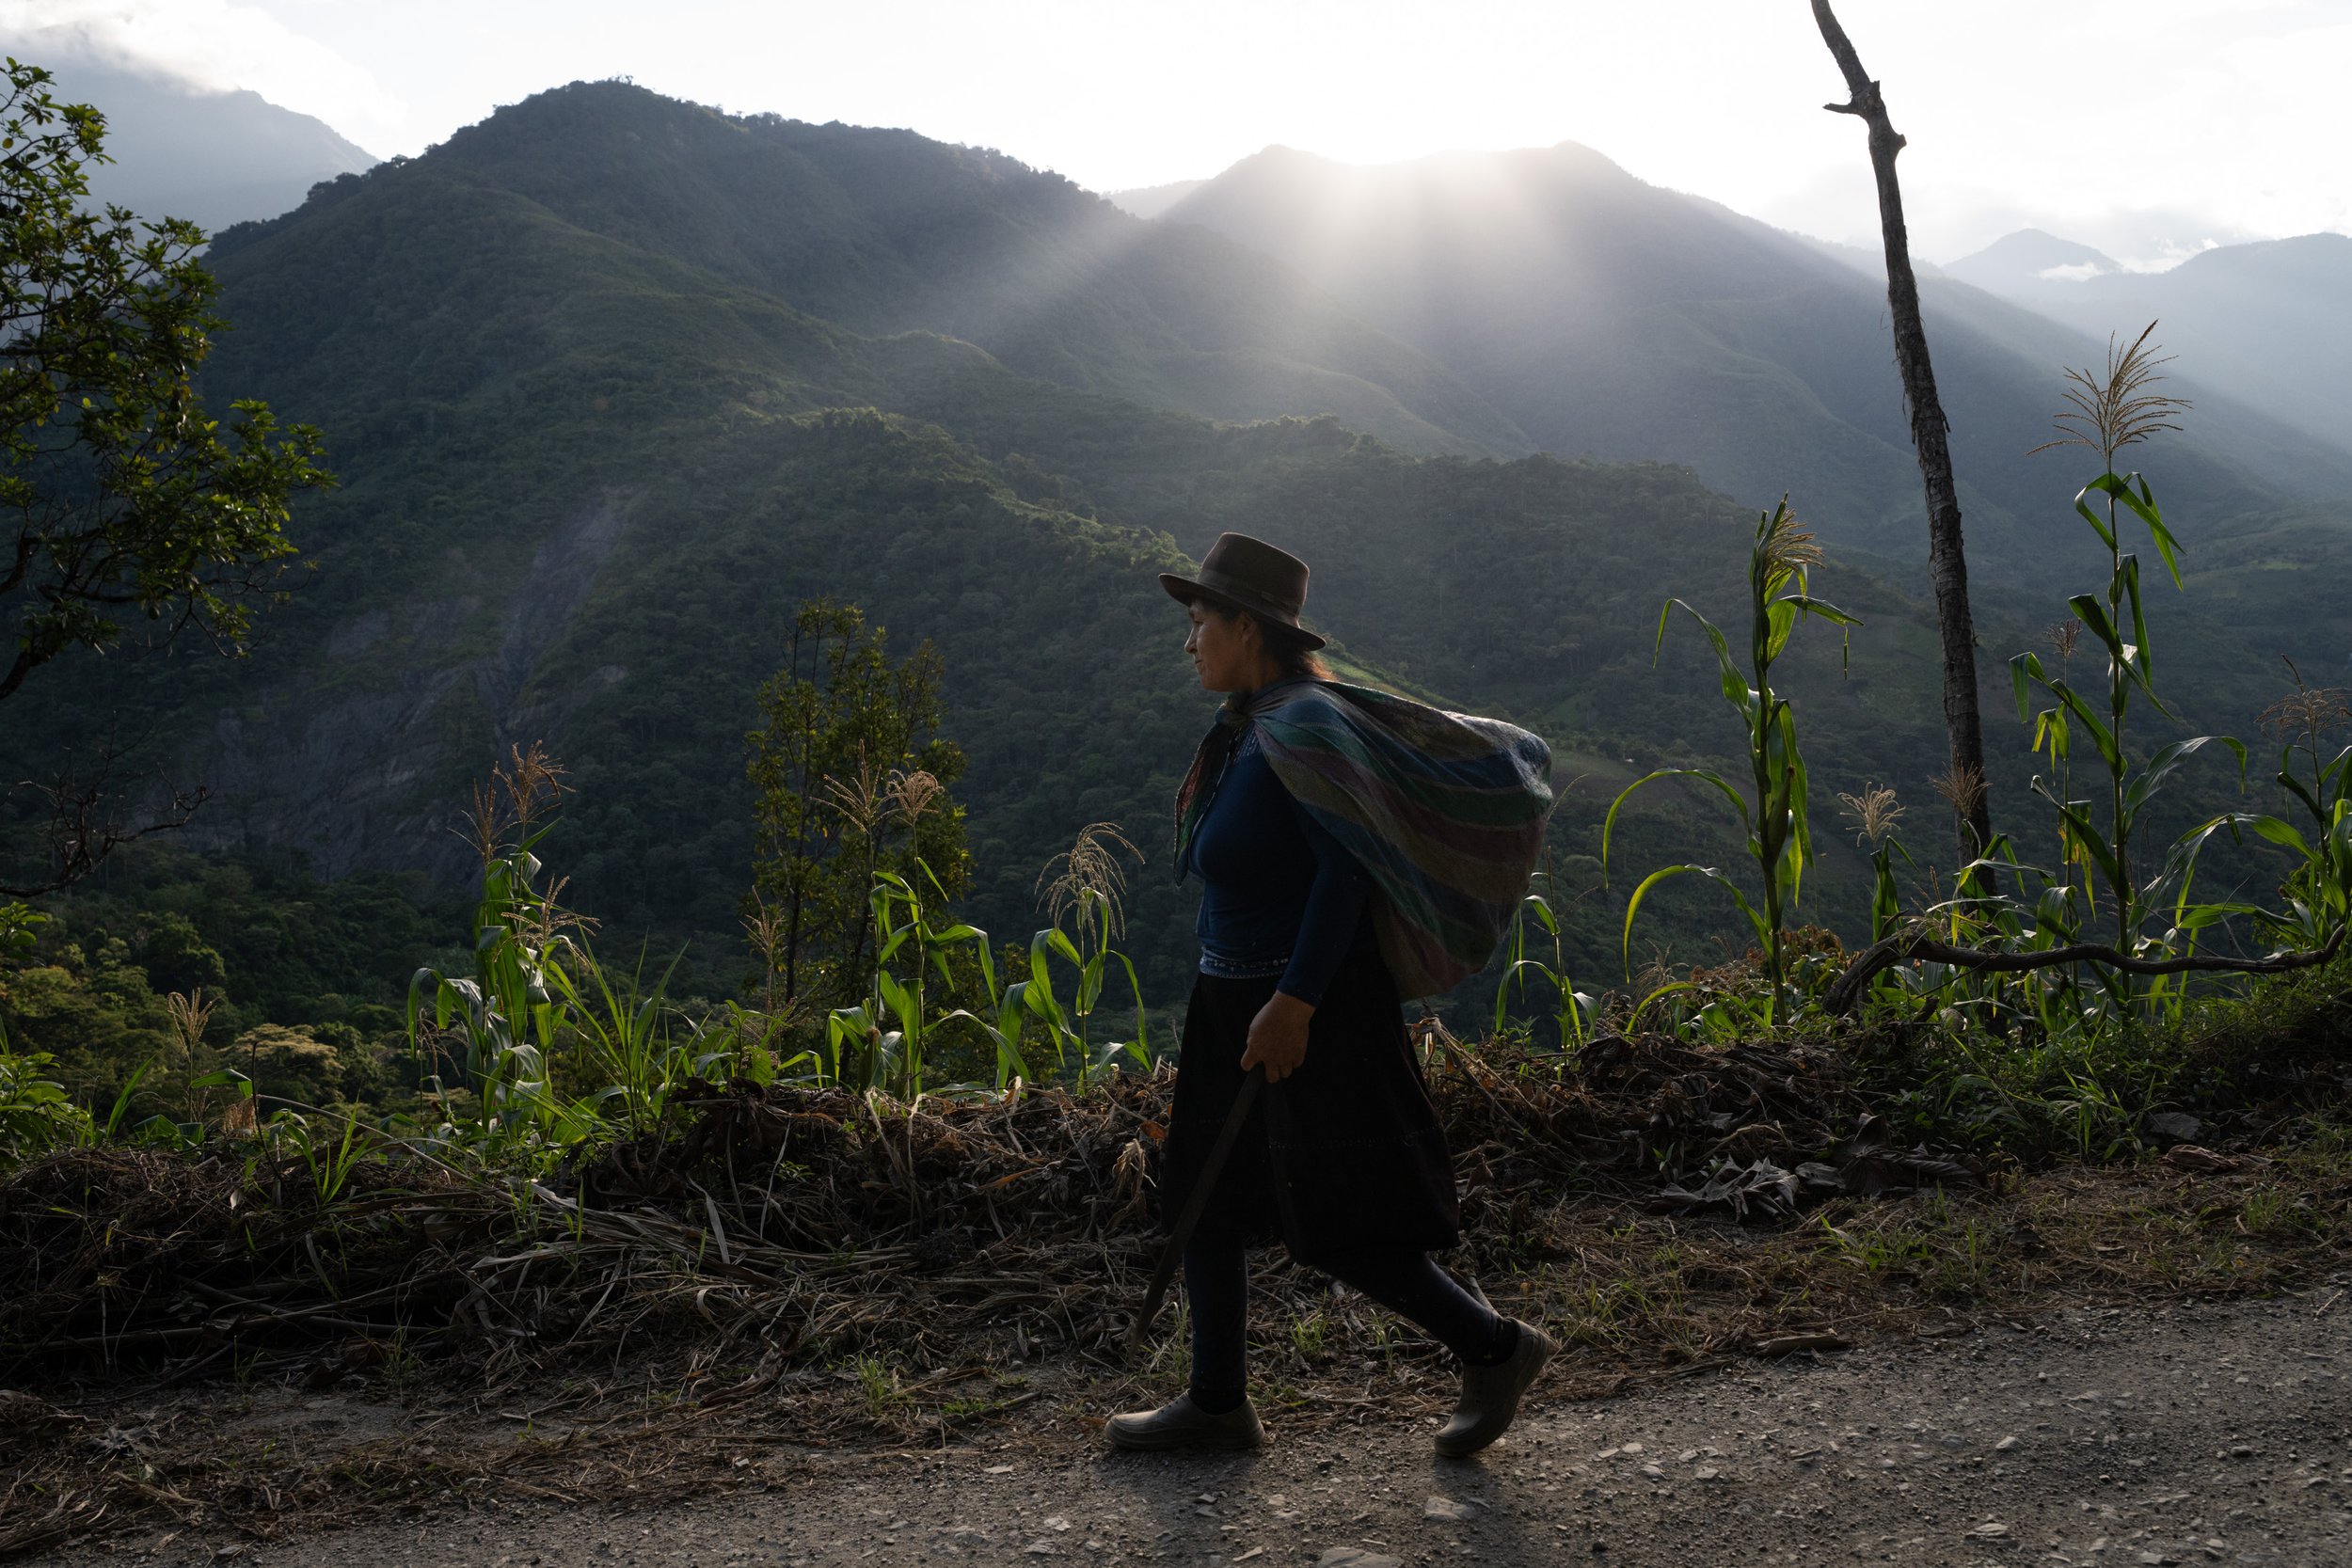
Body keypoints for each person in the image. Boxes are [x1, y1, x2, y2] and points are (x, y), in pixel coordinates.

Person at [1106, 531, 1558, 1459]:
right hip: (1232, 996)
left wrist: (1297, 1003)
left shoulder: (1303, 725)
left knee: (1339, 1216)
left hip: (1306, 1008)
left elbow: (1343, 874)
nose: (1188, 642)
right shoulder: (1253, 723)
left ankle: (1497, 1346)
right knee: (1206, 1199)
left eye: (1198, 623)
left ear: (1246, 626)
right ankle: (1217, 1402)